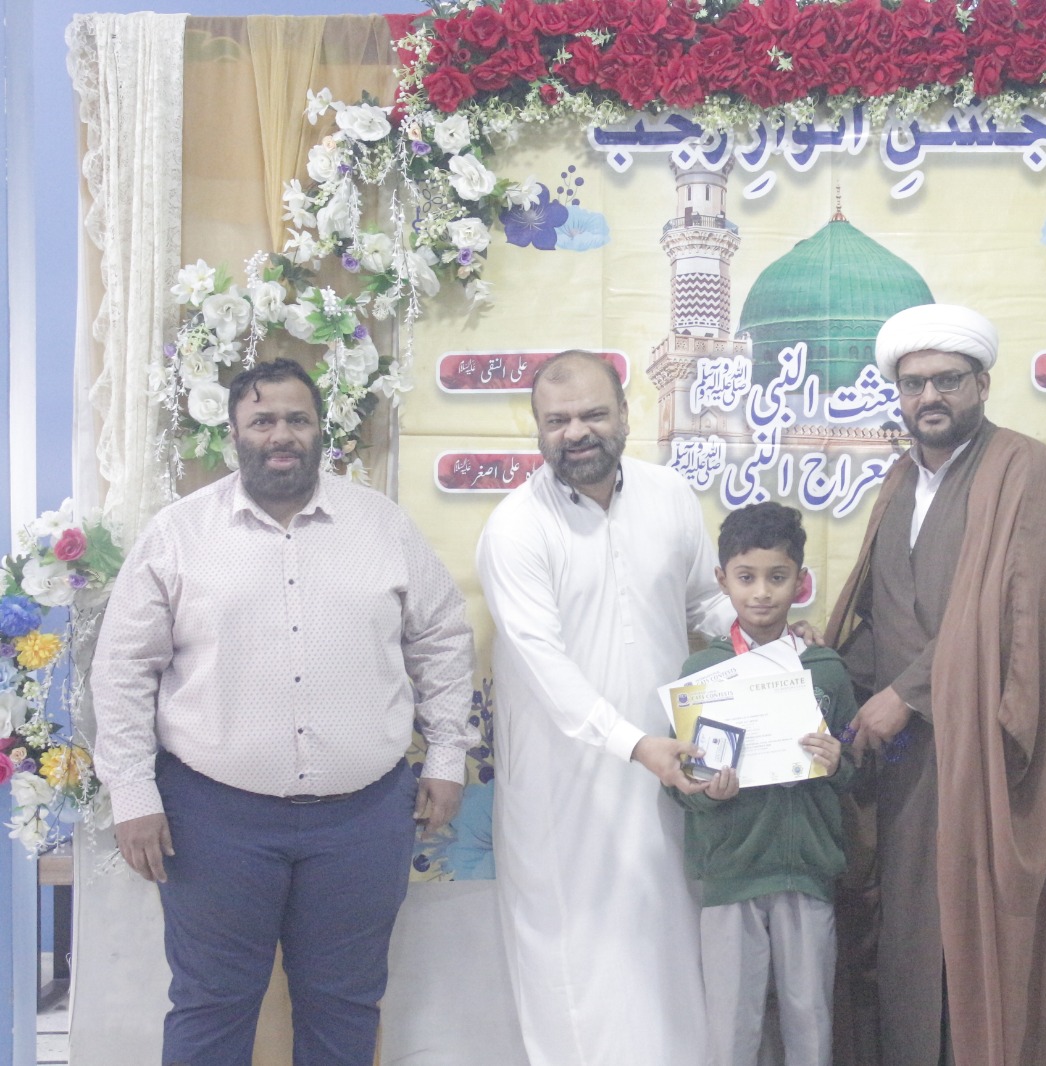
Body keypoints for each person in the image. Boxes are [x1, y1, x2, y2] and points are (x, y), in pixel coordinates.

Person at [93, 358, 475, 1066]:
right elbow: (122, 670)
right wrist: (132, 792)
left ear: (320, 430)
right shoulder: (178, 535)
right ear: (234, 433)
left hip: (363, 818)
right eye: (262, 420)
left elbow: (443, 640)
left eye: (297, 419)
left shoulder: (382, 526)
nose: (281, 435)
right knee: (211, 1005)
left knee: (345, 1005)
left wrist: (448, 755)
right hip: (212, 818)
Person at [825, 305, 1046, 1066]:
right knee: (911, 939)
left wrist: (907, 695)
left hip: (992, 757)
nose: (929, 397)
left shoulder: (1026, 471)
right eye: (913, 384)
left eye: (947, 380)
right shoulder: (899, 482)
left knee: (984, 944)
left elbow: (1018, 621)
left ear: (981, 384)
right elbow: (879, 611)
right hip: (909, 768)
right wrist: (820, 669)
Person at [475, 349, 736, 1066]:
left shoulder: (669, 495)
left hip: (667, 770)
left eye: (592, 414)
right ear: (537, 428)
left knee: (668, 946)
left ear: (625, 414)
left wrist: (764, 637)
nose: (576, 432)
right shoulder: (516, 528)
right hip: (567, 784)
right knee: (578, 959)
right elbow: (542, 665)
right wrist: (634, 744)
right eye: (556, 420)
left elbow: (703, 602)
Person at [672, 502, 859, 1066]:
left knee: (810, 1021)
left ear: (800, 582)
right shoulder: (701, 673)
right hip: (731, 872)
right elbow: (677, 780)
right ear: (721, 579)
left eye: (777, 577)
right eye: (746, 577)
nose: (761, 593)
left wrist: (838, 762)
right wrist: (706, 791)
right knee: (731, 1027)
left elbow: (856, 764)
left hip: (807, 871)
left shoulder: (825, 669)